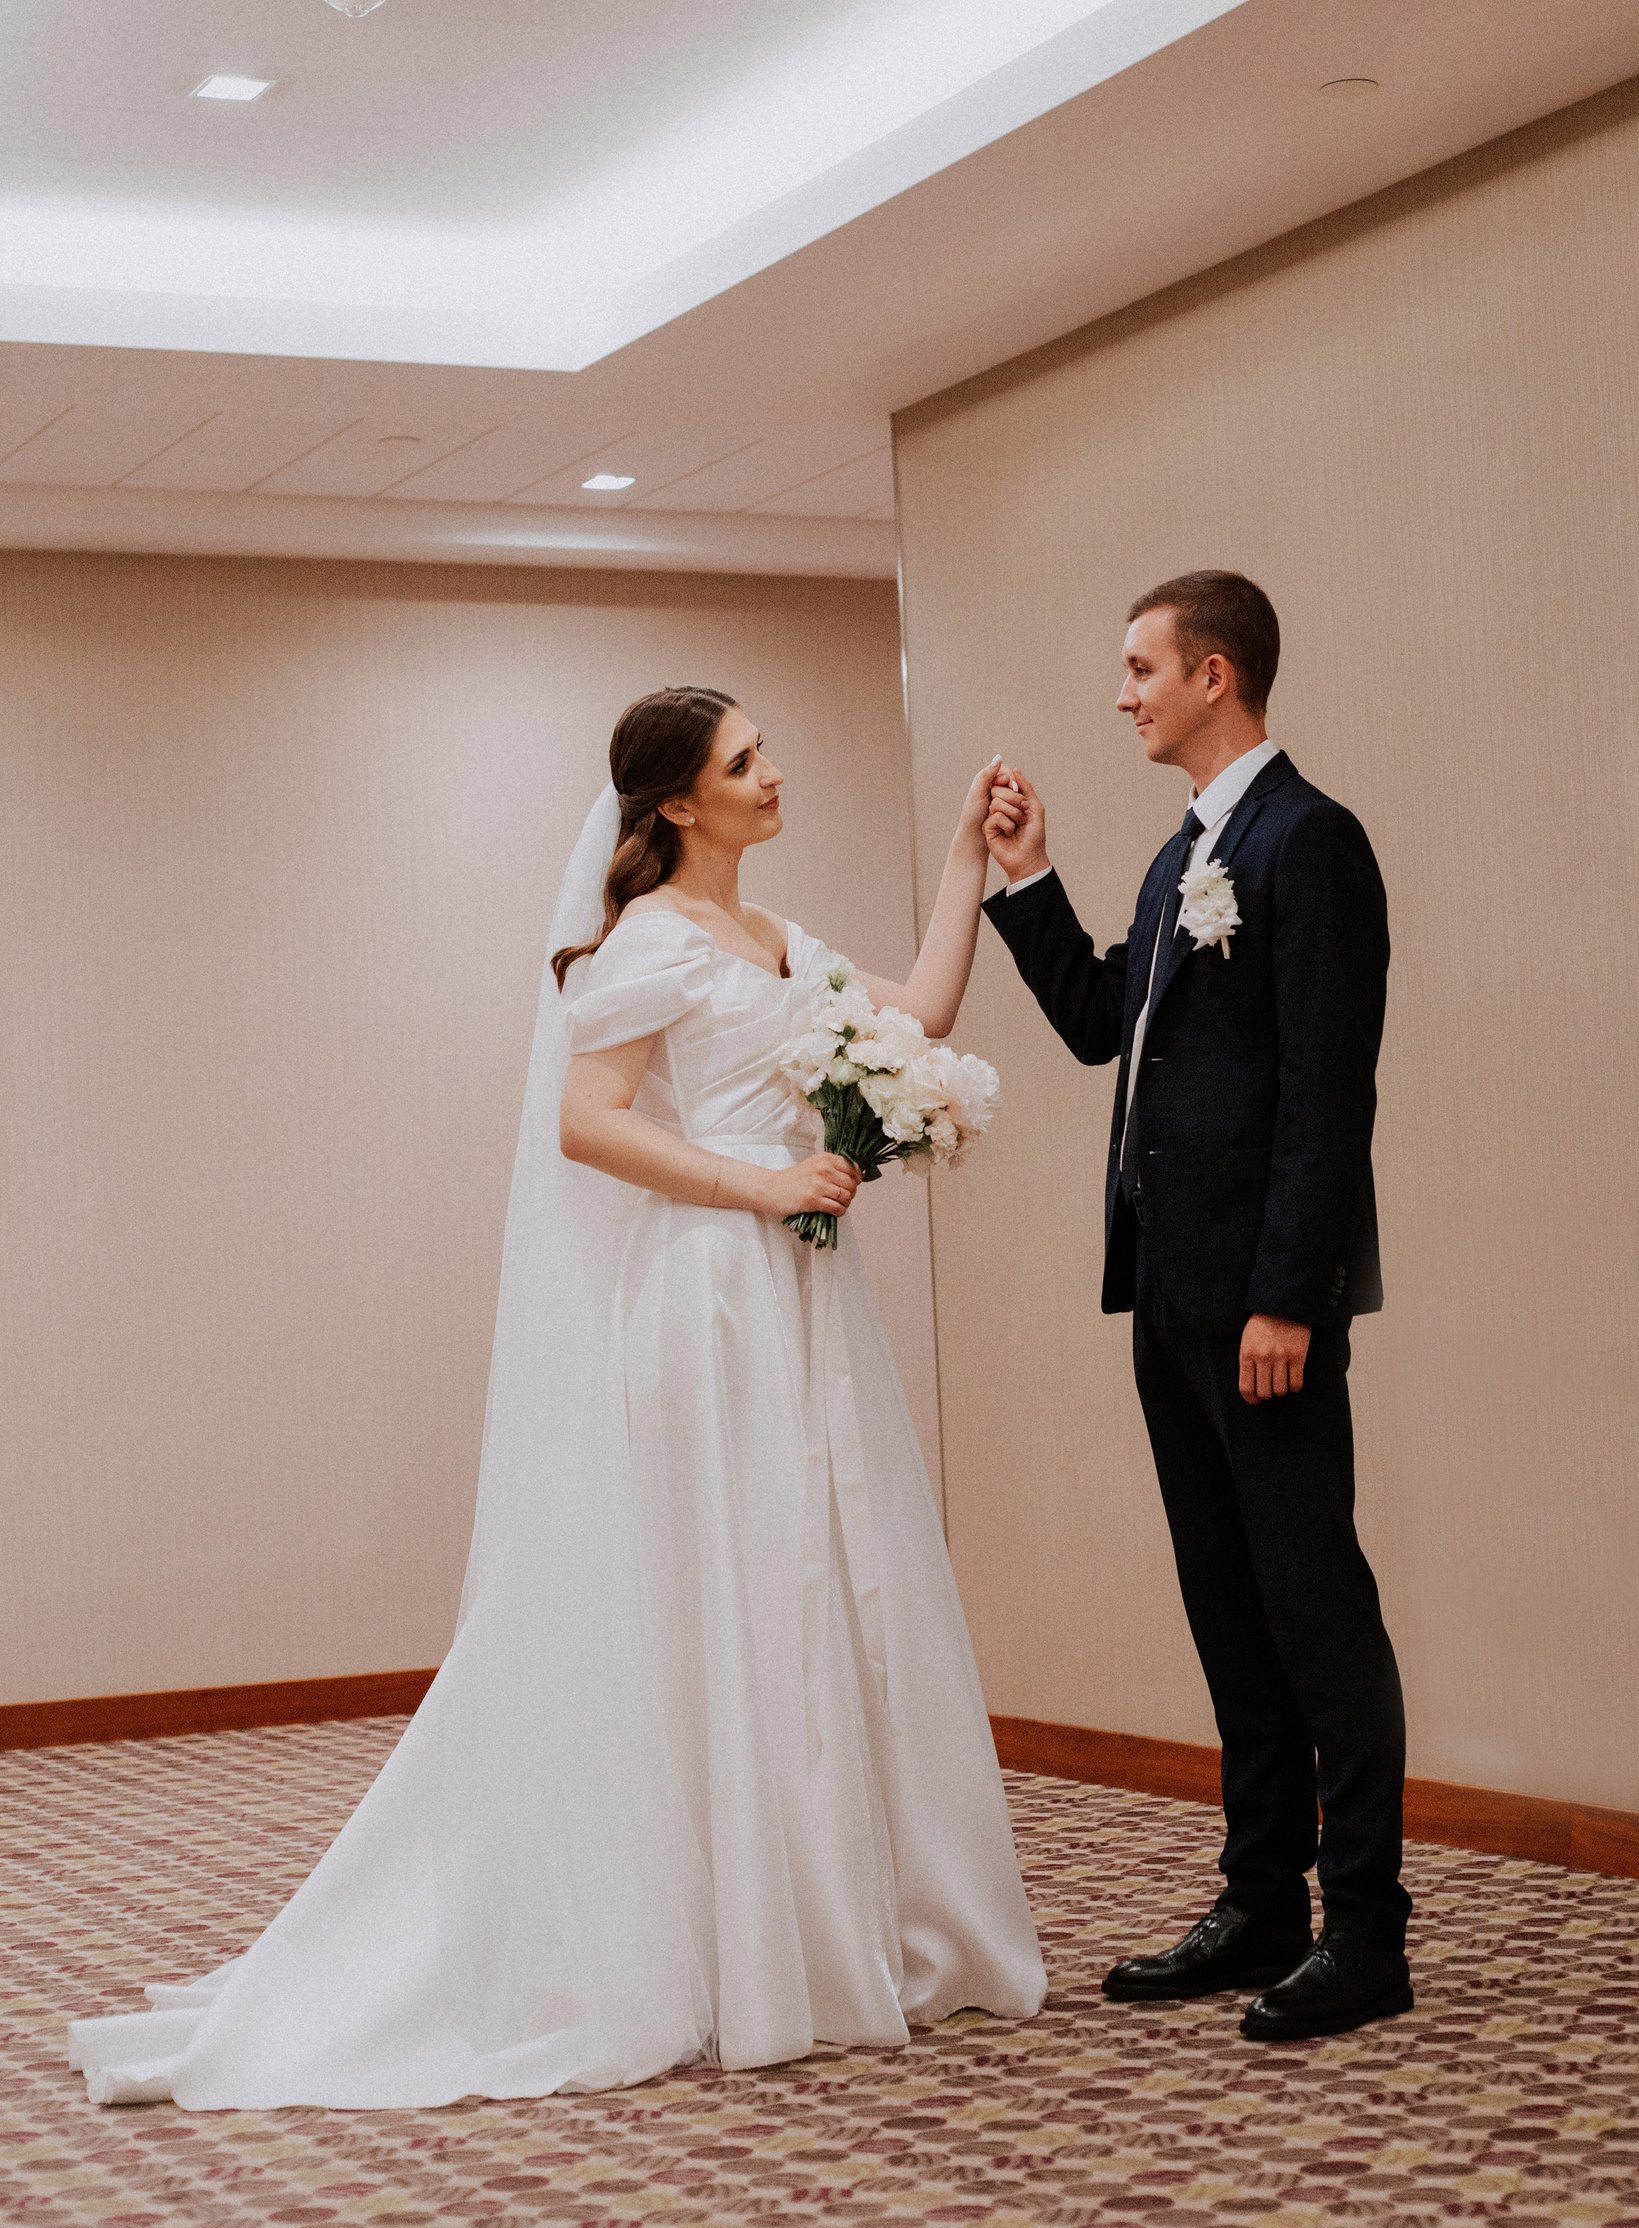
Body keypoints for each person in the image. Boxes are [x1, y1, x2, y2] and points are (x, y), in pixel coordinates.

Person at [70, 687, 1043, 2107]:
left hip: (801, 1295)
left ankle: (812, 1922)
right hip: (708, 1295)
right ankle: (719, 1939)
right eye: (745, 762)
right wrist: (761, 1182)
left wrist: (966, 856)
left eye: (766, 750)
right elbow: (587, 1124)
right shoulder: (647, 945)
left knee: (805, 1582)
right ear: (678, 804)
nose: (774, 774)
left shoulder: (775, 938)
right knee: (720, 1587)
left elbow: (926, 1009)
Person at [981, 572, 1410, 2044]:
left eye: (1141, 668)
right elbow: (1109, 1023)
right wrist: (1030, 880)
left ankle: (1366, 1929)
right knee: (1228, 1603)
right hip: (1168, 1293)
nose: (1124, 695)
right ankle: (1261, 1900)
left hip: (1262, 1311)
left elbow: (1325, 1094)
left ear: (1214, 675)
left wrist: (1290, 1296)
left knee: (1314, 1605)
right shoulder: (1185, 856)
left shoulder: (1310, 841)